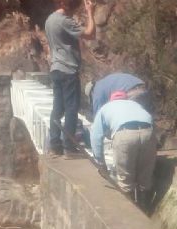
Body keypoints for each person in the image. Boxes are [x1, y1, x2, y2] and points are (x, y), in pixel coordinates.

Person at [45, 0, 95, 158]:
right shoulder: (64, 21)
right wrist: (90, 12)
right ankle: (69, 147)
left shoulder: (49, 20)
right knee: (72, 109)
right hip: (68, 70)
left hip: (55, 68)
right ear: (67, 5)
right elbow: (90, 34)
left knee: (57, 108)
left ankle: (55, 146)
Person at [90, 91, 156, 209]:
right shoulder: (136, 105)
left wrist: (100, 163)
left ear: (111, 100)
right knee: (145, 178)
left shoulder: (106, 108)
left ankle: (131, 213)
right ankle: (146, 211)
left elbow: (96, 137)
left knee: (126, 180)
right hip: (148, 132)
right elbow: (150, 120)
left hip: (124, 134)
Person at [86, 72, 151, 117]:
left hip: (131, 92)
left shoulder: (97, 90)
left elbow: (98, 114)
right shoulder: (104, 83)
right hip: (143, 87)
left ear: (91, 91)